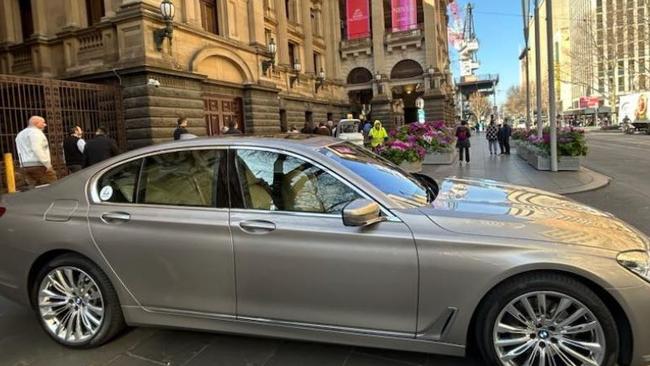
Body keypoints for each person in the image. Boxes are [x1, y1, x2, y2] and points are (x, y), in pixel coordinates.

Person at [15, 115, 57, 188]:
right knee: (53, 187)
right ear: (36, 123)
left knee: (34, 190)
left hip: (25, 166)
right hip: (39, 165)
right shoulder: (36, 133)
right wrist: (47, 164)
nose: (45, 124)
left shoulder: (20, 134)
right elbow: (37, 149)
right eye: (43, 122)